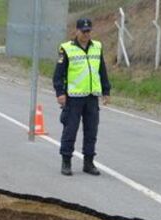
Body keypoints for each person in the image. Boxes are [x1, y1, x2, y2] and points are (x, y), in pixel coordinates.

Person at [53, 18, 111, 176]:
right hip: (73, 97)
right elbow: (58, 74)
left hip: (92, 97)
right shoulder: (66, 48)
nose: (86, 34)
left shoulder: (97, 47)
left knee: (91, 131)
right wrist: (60, 93)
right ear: (76, 31)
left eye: (88, 31)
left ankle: (88, 162)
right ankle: (66, 161)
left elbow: (102, 70)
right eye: (83, 31)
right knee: (70, 130)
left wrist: (106, 91)